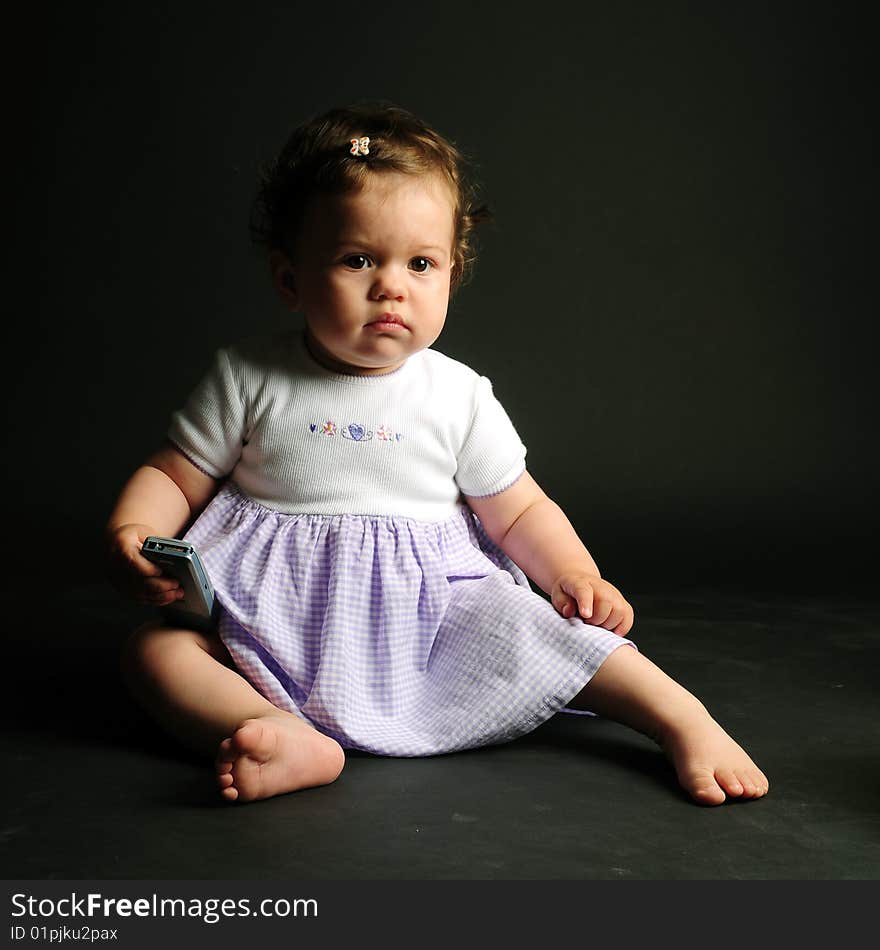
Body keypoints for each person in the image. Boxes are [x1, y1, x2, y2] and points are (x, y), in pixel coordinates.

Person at [106, 101, 769, 807]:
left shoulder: (457, 394)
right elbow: (172, 475)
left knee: (548, 632)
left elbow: (519, 511)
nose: (391, 285)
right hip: (270, 619)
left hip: (429, 616)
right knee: (156, 655)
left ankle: (676, 715)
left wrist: (574, 572)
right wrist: (134, 532)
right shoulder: (248, 376)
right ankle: (270, 727)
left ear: (452, 274)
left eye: (421, 264)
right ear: (290, 279)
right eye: (357, 259)